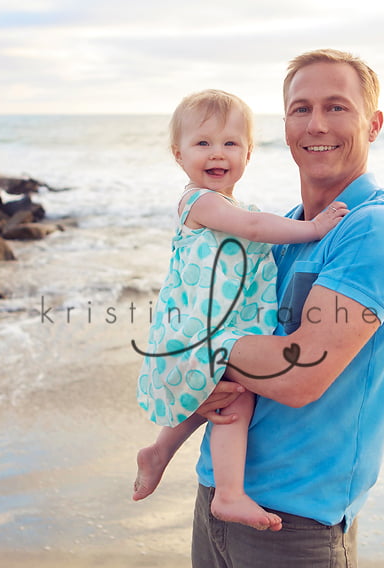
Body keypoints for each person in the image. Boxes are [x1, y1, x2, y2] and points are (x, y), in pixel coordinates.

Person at [190, 50, 384, 567]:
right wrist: (205, 381)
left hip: (296, 523)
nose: (316, 124)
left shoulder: (375, 228)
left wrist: (196, 352)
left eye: (337, 107)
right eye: (301, 109)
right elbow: (244, 347)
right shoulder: (284, 230)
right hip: (218, 496)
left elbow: (299, 374)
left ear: (373, 124)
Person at [133, 89, 349, 532]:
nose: (218, 153)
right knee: (238, 396)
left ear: (249, 153)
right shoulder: (201, 202)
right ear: (179, 155)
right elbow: (255, 228)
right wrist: (313, 228)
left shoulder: (232, 207)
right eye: (203, 144)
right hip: (203, 327)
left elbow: (253, 224)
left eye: (231, 144)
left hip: (218, 322)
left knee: (221, 391)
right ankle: (229, 494)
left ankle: (159, 452)